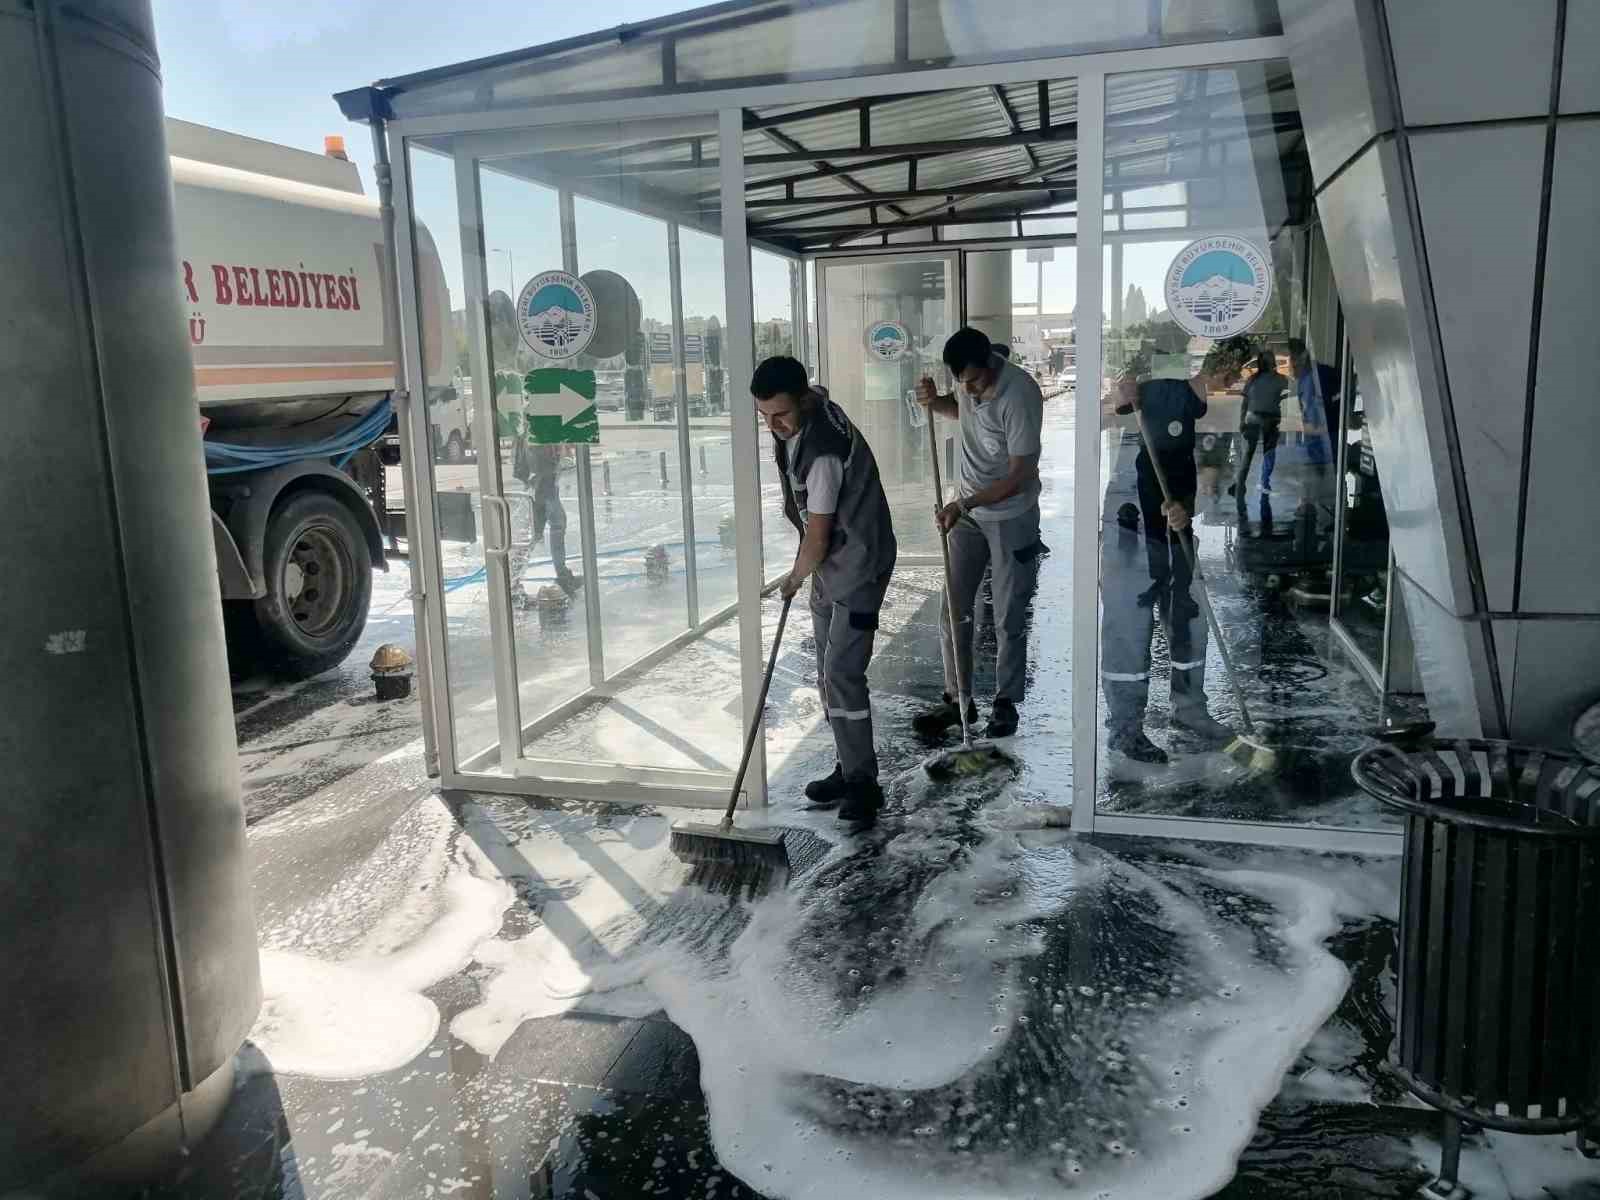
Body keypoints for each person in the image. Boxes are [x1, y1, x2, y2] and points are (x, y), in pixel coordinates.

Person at [753, 356, 898, 827]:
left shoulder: (824, 454)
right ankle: (847, 763)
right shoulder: (811, 403)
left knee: (842, 673)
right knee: (825, 671)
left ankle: (864, 784)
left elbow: (816, 536)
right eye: (764, 416)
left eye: (781, 415)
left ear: (800, 401)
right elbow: (816, 539)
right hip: (831, 563)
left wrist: (795, 576)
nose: (773, 426)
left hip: (857, 563)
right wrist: (808, 570)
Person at [1100, 351, 1239, 762]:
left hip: (1175, 528)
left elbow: (1203, 470)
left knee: (1189, 620)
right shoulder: (1156, 395)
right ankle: (1126, 729)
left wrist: (1183, 504)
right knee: (1129, 627)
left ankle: (1190, 710)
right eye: (1233, 373)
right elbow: (1104, 412)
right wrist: (1119, 394)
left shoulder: (1207, 408)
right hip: (1132, 529)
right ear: (1222, 369)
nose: (1234, 382)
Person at [913, 327, 1046, 741]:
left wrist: (964, 504)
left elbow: (1020, 475)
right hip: (967, 512)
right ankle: (958, 700)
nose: (967, 389)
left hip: (1010, 514)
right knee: (953, 609)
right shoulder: (967, 389)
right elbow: (961, 409)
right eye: (961, 382)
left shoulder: (1019, 394)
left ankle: (1005, 703)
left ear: (991, 362)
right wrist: (935, 402)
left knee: (1008, 615)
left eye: (973, 379)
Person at [510, 433, 580, 608]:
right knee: (550, 526)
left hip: (542, 481)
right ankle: (513, 582)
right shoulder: (536, 428)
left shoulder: (537, 426)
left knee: (537, 532)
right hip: (542, 482)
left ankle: (513, 581)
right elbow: (537, 459)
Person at [1287, 337, 1341, 500]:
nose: (1286, 368)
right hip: (1325, 449)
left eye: (1288, 361)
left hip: (1321, 453)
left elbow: (1318, 427)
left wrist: (1288, 423)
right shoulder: (1316, 373)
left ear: (1300, 359)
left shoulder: (1311, 381)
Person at [1229, 349, 1287, 503]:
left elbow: (1245, 403)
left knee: (1249, 454)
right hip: (1268, 419)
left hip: (1256, 418)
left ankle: (1242, 484)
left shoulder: (1253, 380)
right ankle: (1262, 483)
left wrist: (1242, 421)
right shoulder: (1279, 379)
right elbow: (1294, 389)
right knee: (1266, 452)